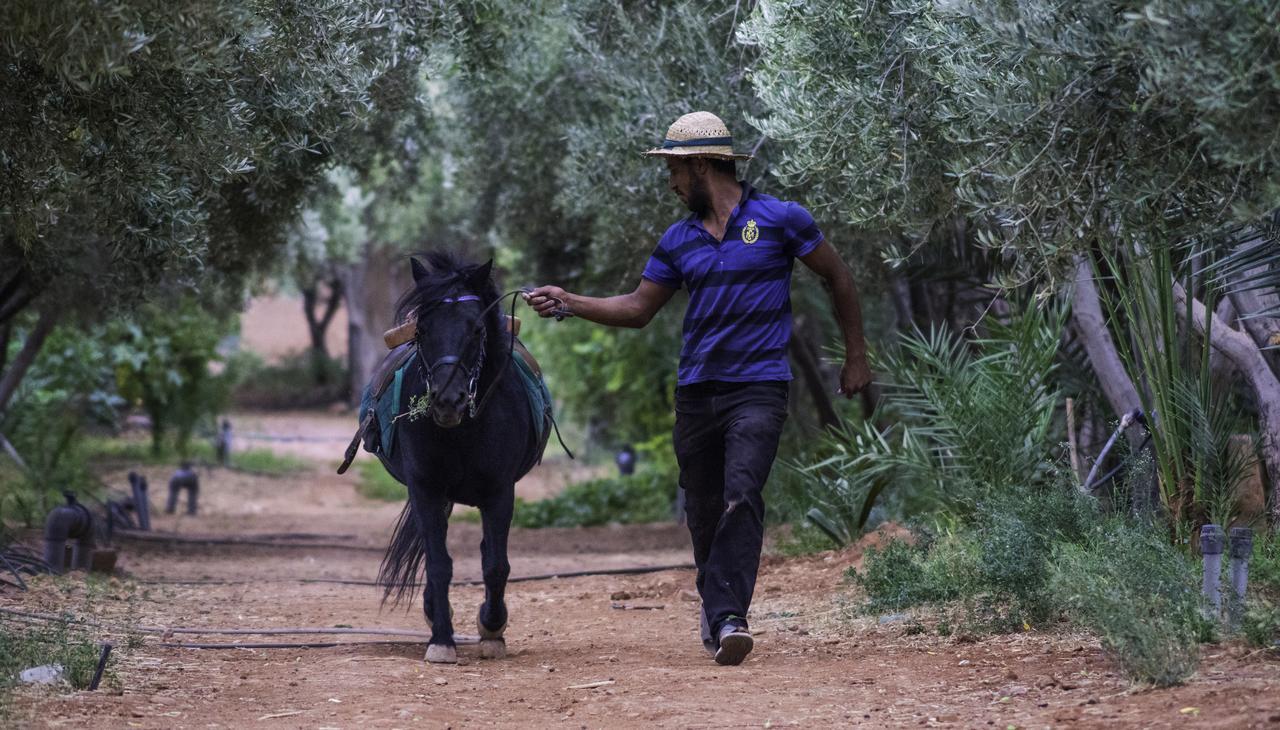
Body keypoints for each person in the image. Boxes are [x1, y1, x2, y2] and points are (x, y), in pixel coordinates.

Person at [526, 111, 871, 666]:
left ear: (703, 165)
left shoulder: (781, 219)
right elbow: (638, 308)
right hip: (696, 393)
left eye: (675, 171)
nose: (671, 183)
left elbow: (839, 276)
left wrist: (856, 354)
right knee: (705, 508)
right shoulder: (677, 239)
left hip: (759, 388)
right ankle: (718, 612)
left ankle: (732, 616)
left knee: (742, 493)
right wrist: (570, 301)